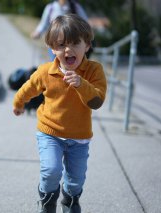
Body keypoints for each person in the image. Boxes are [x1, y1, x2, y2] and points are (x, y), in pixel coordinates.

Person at [13, 14, 107, 213]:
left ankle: (70, 201)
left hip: (79, 138)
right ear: (52, 48)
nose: (68, 50)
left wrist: (82, 85)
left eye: (75, 43)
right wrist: (19, 103)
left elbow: (97, 102)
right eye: (61, 45)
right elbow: (28, 87)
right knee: (51, 171)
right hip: (50, 133)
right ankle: (47, 201)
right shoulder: (46, 71)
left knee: (76, 180)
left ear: (87, 45)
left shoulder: (93, 71)